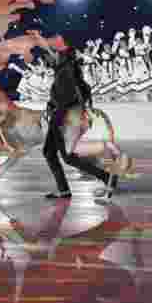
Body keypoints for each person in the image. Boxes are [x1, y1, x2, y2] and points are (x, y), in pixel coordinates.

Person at [43, 48, 119, 200]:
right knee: (50, 152)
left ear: (62, 56)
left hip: (62, 118)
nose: (51, 57)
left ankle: (106, 176)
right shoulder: (66, 71)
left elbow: (67, 98)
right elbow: (75, 95)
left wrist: (57, 112)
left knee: (66, 156)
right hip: (63, 117)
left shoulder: (66, 72)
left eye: (54, 54)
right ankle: (64, 189)